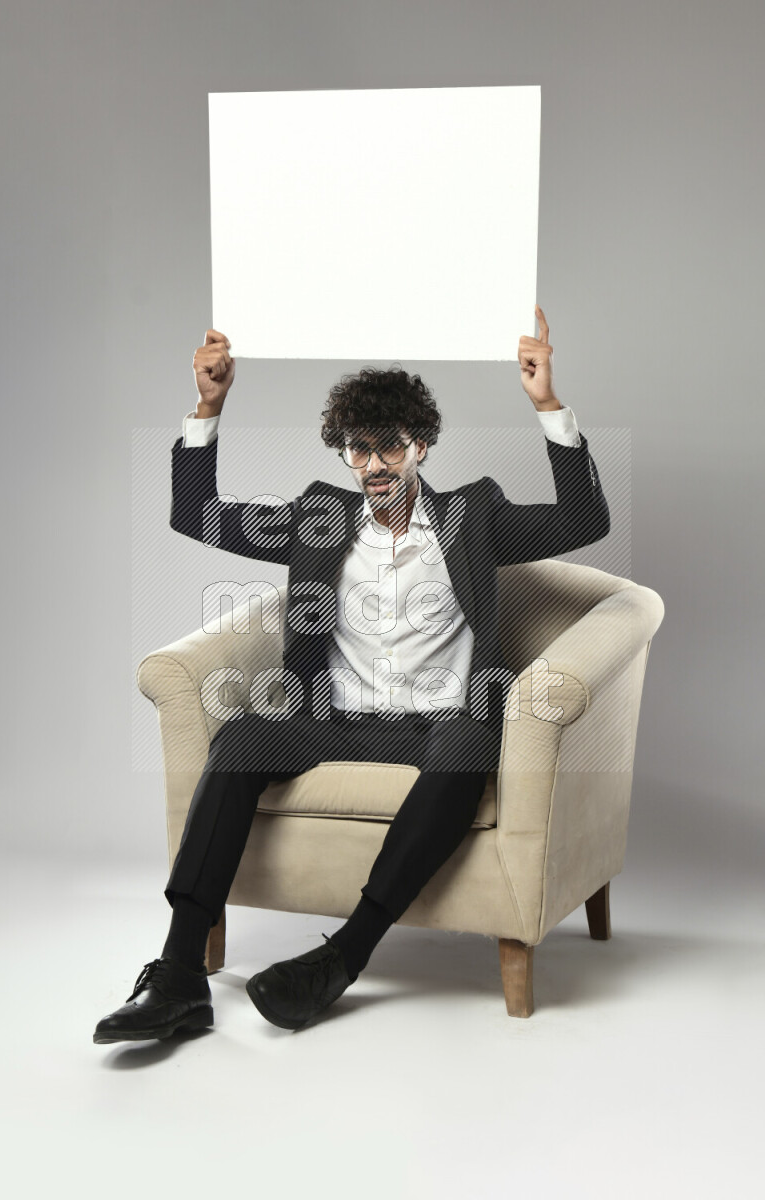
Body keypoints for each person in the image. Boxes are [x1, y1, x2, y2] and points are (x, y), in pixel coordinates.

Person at [94, 304, 610, 1043]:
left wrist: (547, 405)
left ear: (421, 446)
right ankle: (177, 975)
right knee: (240, 740)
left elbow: (584, 520)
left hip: (437, 730)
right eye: (356, 450)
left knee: (472, 738)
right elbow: (194, 512)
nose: (372, 466)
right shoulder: (318, 519)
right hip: (334, 724)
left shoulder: (475, 516)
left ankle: (344, 955)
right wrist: (209, 407)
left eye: (388, 448)